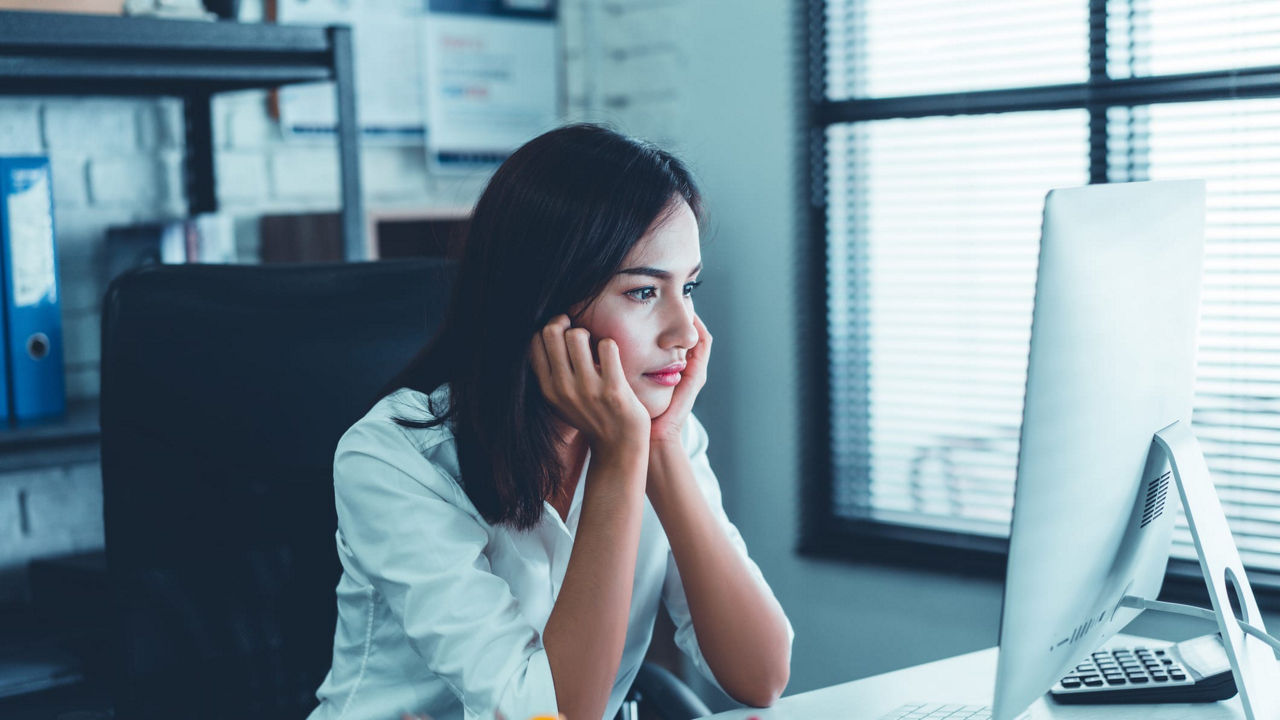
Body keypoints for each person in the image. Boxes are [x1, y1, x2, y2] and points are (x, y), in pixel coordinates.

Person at [309, 124, 793, 720]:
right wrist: (621, 463)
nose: (687, 332)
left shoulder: (657, 428)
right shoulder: (396, 459)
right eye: (644, 292)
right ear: (543, 302)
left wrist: (661, 449)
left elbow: (760, 676)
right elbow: (552, 716)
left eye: (688, 287)